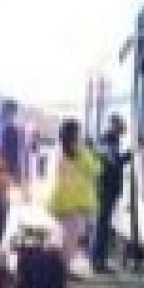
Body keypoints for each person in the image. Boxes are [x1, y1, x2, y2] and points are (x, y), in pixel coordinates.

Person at [47, 118, 101, 278]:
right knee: (70, 241)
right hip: (75, 203)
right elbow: (95, 170)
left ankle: (56, 270)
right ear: (75, 133)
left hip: (57, 200)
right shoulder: (79, 150)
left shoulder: (57, 149)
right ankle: (61, 272)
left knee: (58, 239)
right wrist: (92, 153)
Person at [91, 114, 132, 274]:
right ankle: (98, 262)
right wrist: (128, 156)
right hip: (105, 188)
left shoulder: (110, 141)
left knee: (103, 224)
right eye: (121, 127)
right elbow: (113, 163)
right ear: (114, 126)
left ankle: (98, 260)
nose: (123, 130)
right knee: (102, 225)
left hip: (108, 188)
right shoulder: (106, 141)